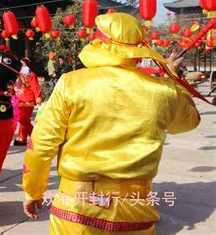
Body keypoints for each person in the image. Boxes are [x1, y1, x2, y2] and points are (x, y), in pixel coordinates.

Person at [22, 13, 201, 234]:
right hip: (135, 209)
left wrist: (33, 191)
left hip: (77, 209)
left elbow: (42, 145)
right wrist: (174, 81)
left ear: (98, 45)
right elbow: (189, 122)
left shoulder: (71, 83)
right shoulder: (163, 91)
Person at [14, 57, 42, 146]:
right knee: (22, 120)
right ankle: (30, 137)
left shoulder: (32, 75)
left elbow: (35, 86)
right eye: (21, 64)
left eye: (23, 64)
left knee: (23, 119)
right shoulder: (18, 75)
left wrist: (38, 96)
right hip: (18, 99)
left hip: (28, 100)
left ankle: (23, 138)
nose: (22, 65)